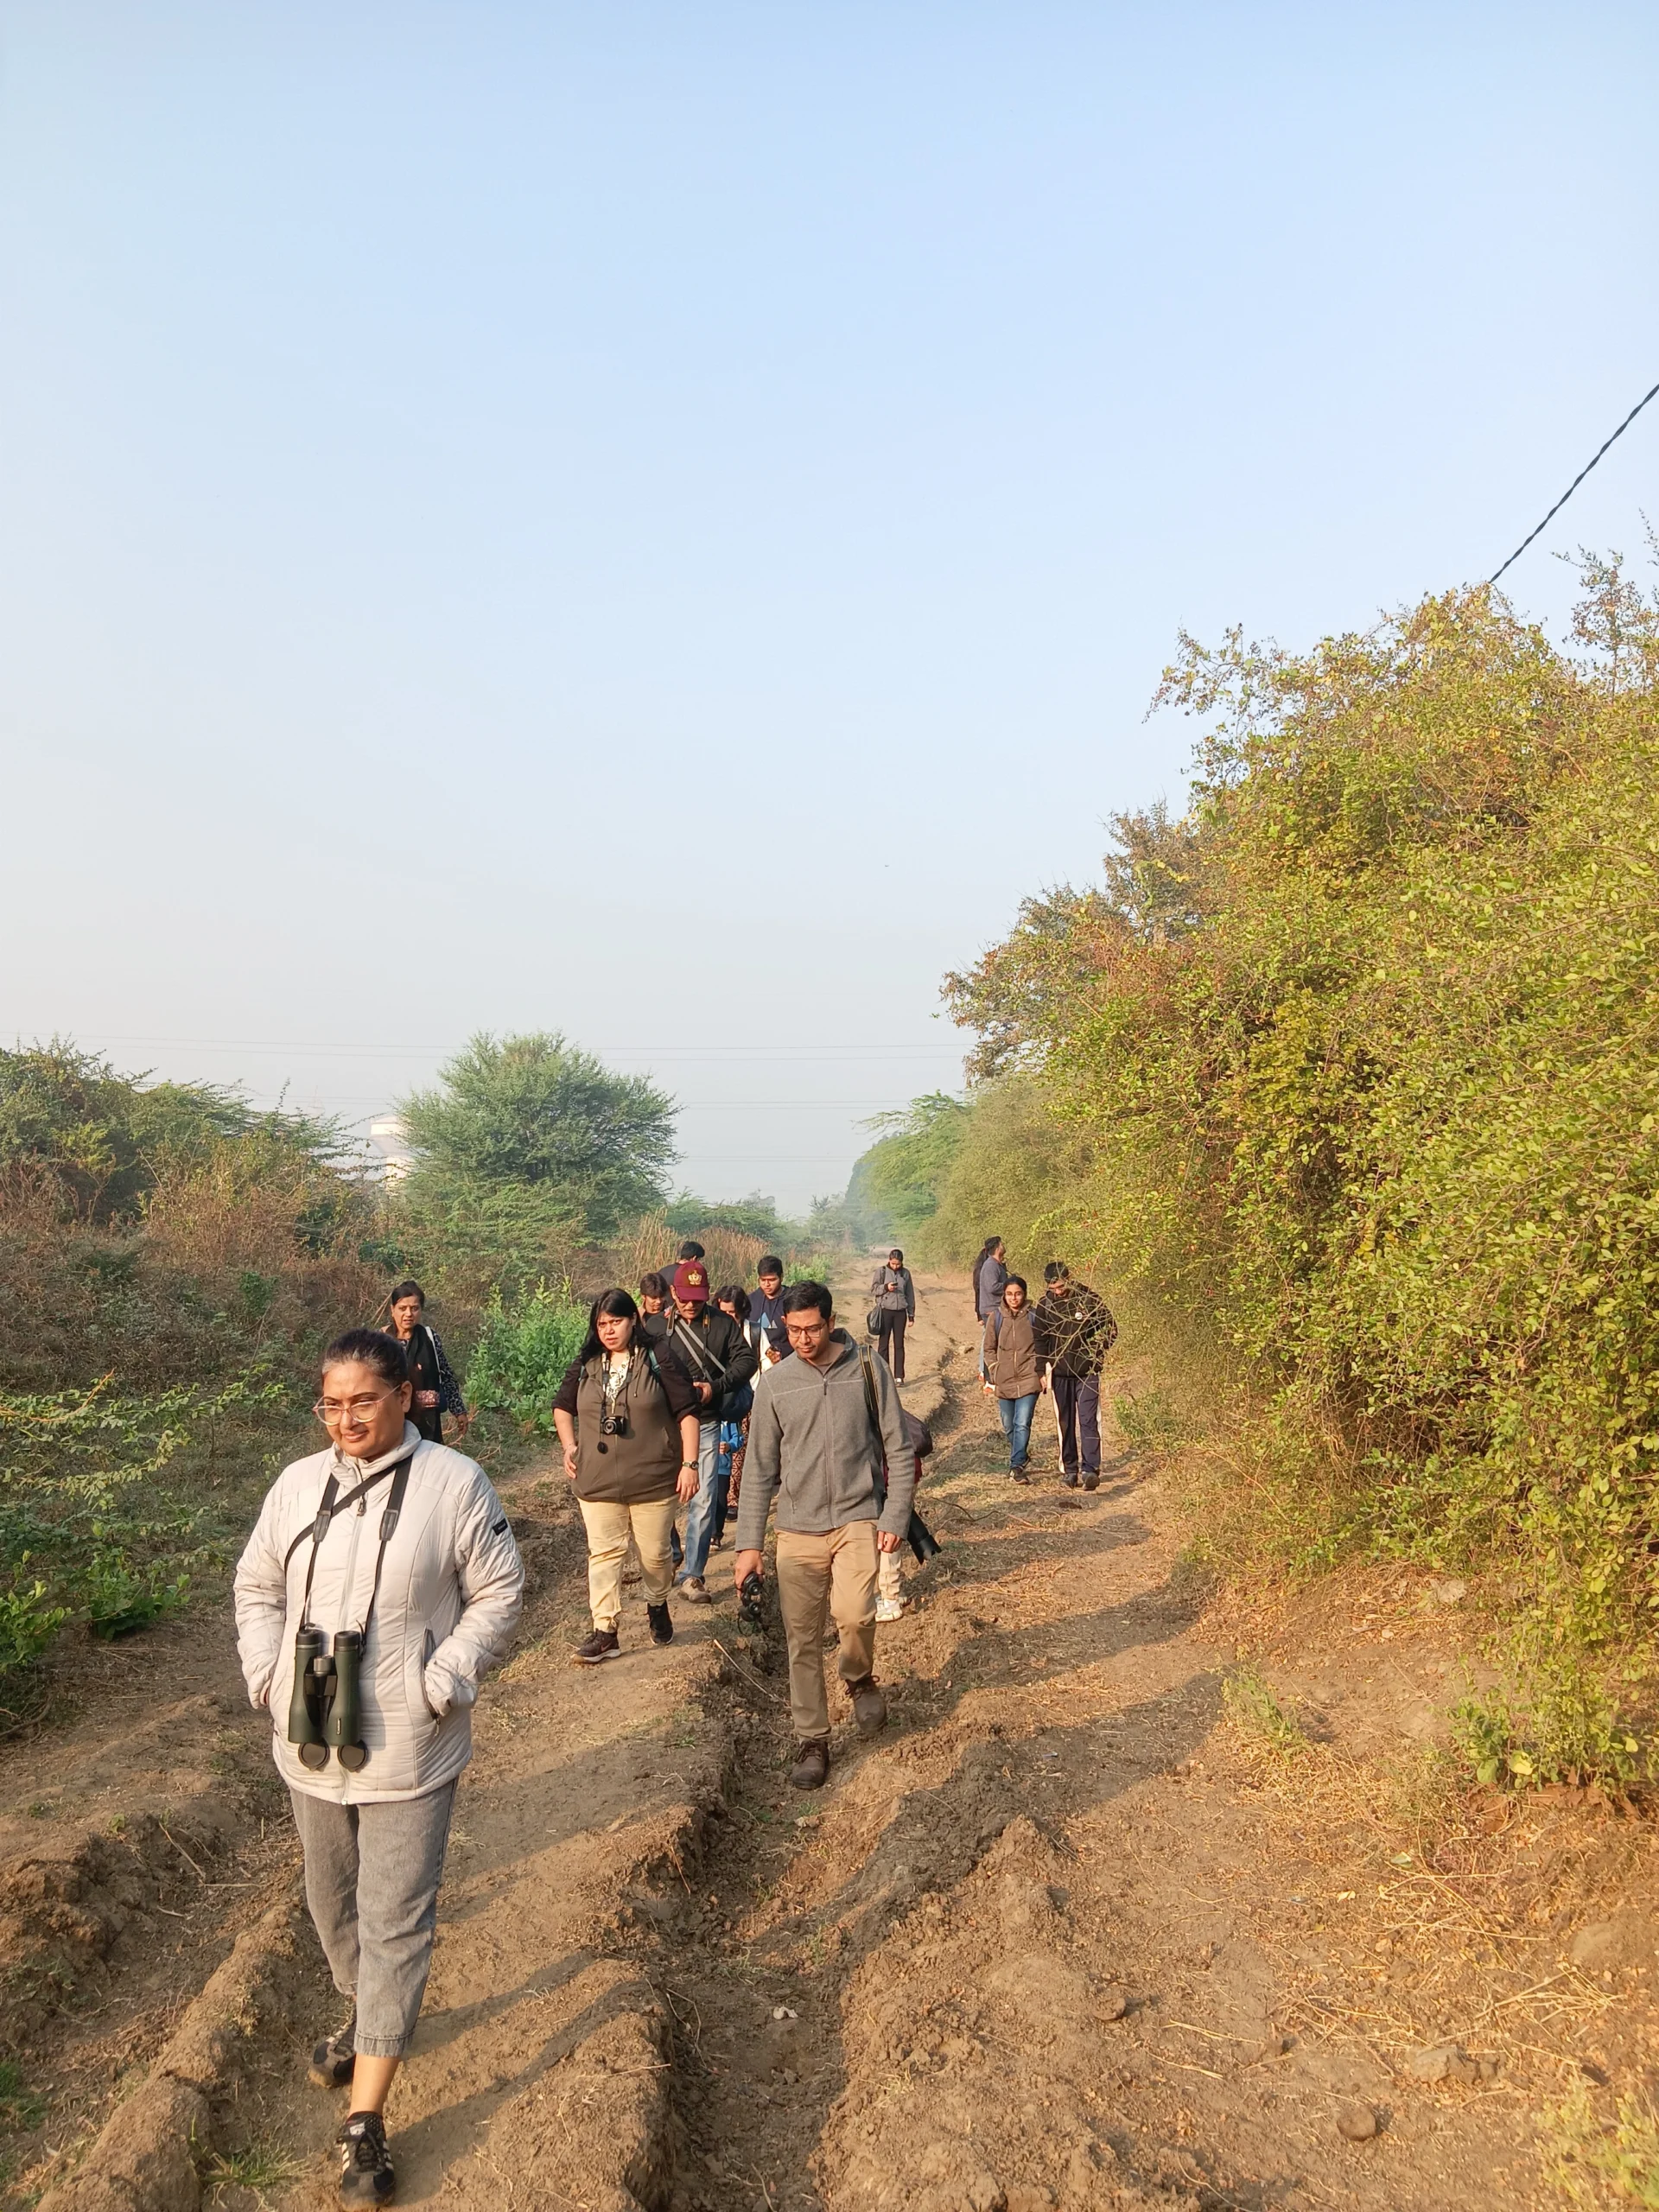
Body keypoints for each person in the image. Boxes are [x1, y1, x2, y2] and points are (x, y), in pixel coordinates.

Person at [232, 1329, 523, 2208]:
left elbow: (500, 1589)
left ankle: (365, 2118)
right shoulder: (295, 1485)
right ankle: (368, 2012)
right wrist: (266, 1672)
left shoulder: (454, 1482)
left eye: (364, 1399)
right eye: (332, 1403)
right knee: (331, 1902)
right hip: (312, 1723)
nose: (347, 1418)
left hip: (410, 1736)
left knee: (394, 1918)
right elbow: (256, 1585)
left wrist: (445, 1676)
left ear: (404, 1395)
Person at [733, 1282, 917, 1792]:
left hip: (858, 1516)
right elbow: (758, 1470)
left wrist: (895, 1517)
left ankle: (857, 1676)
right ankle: (813, 1739)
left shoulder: (868, 1368)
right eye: (793, 1330)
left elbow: (898, 1449)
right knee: (802, 1639)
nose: (803, 1339)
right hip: (797, 1528)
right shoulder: (776, 1385)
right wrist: (748, 1546)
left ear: (831, 1322)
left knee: (855, 1614)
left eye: (812, 1329)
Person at [552, 1291, 702, 1662]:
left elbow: (687, 1412)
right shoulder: (587, 1362)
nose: (608, 1330)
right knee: (604, 1554)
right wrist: (569, 1447)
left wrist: (690, 1464)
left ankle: (657, 1603)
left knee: (655, 1555)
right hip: (596, 1479)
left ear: (633, 1319)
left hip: (653, 1479)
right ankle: (605, 1630)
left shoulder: (658, 1356)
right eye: (602, 1324)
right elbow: (562, 1406)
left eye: (616, 1322)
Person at [663, 1259, 757, 1603]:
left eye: (697, 1299)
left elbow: (747, 1361)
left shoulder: (722, 1324)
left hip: (706, 1422)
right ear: (673, 1293)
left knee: (702, 1499)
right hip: (664, 1426)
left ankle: (693, 1575)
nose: (690, 1305)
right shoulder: (656, 1326)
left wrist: (715, 1387)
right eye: (684, 1298)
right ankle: (670, 1556)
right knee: (659, 1499)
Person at [1032, 1261, 1118, 1491]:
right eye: (1053, 1288)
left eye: (1061, 1286)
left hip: (1088, 1373)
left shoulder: (1088, 1299)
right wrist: (1041, 1371)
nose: (1058, 1292)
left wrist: (1096, 1352)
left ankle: (1090, 1470)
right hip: (1059, 1374)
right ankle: (1070, 1470)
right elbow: (1040, 1340)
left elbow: (1110, 1328)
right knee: (1065, 1423)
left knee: (1089, 1421)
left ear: (1069, 1279)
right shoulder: (1045, 1306)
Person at [385, 1281, 469, 1445]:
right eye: (402, 1308)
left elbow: (446, 1376)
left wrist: (459, 1411)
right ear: (392, 1310)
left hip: (427, 1423)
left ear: (421, 1310)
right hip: (392, 1419)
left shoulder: (430, 1338)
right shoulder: (382, 1339)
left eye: (414, 1308)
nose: (408, 1314)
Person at [713, 1284, 762, 1548]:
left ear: (742, 1311)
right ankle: (726, 1501)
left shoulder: (754, 1332)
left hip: (748, 1401)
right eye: (724, 1312)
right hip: (719, 1400)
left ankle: (735, 1499)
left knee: (741, 1452)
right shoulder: (710, 1332)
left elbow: (766, 1365)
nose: (729, 1317)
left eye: (733, 1312)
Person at [982, 1275, 1045, 1483]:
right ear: (1004, 1295)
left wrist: (1040, 1372)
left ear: (1024, 1294)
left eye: (1018, 1294)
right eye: (1009, 1294)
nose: (1014, 1298)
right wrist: (994, 1369)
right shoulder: (996, 1318)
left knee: (1022, 1423)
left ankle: (1016, 1466)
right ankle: (1022, 1454)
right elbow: (988, 1348)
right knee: (1009, 1425)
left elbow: (1044, 1345)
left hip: (1029, 1378)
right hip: (1005, 1379)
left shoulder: (1034, 1317)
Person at [868, 1248, 915, 1382]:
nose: (895, 1266)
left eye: (898, 1264)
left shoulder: (905, 1273)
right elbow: (874, 1290)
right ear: (889, 1260)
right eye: (893, 1263)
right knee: (883, 1344)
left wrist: (911, 1315)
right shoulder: (881, 1271)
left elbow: (910, 1294)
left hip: (901, 1313)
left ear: (902, 1262)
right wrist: (886, 1287)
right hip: (885, 1311)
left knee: (899, 1345)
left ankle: (899, 1376)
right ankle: (884, 1375)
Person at [749, 1257, 790, 1366]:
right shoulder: (750, 1301)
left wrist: (781, 1353)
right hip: (754, 1363)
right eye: (763, 1280)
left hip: (785, 1363)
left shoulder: (793, 1300)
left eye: (772, 1280)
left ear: (781, 1278)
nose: (767, 1284)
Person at [973, 1237, 1008, 1324]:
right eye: (1001, 1244)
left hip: (996, 1310)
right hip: (992, 1310)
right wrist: (1009, 1285)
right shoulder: (991, 1265)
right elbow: (992, 1287)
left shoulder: (996, 1264)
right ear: (997, 1249)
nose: (1004, 1245)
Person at [637, 1272, 672, 1341]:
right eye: (654, 1298)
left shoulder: (672, 1312)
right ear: (643, 1296)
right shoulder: (636, 1317)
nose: (659, 1301)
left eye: (661, 1296)